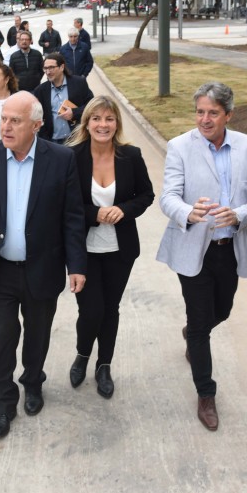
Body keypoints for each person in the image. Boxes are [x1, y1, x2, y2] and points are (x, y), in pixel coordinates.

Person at [0, 91, 87, 439]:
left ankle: (33, 382)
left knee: (37, 335)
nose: (6, 126)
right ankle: (3, 403)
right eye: (3, 119)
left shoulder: (60, 159)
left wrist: (76, 265)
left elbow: (72, 217)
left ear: (37, 125)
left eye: (15, 121)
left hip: (42, 267)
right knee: (1, 338)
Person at [155, 83, 247, 431]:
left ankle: (192, 332)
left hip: (228, 248)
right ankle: (206, 393)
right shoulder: (179, 147)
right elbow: (168, 197)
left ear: (228, 115)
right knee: (201, 322)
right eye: (200, 112)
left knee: (223, 310)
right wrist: (188, 212)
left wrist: (239, 214)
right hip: (193, 247)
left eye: (213, 113)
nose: (204, 119)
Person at [66, 96, 153, 398]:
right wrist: (94, 213)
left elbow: (146, 195)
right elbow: (64, 203)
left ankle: (104, 364)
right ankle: (82, 355)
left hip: (120, 250)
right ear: (86, 123)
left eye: (109, 118)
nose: (103, 124)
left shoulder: (131, 155)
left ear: (117, 123)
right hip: (84, 250)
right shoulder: (71, 156)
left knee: (110, 309)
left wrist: (124, 210)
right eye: (96, 118)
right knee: (91, 310)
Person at [33, 52, 94, 143]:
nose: (48, 72)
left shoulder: (79, 83)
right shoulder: (40, 90)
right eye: (45, 68)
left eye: (51, 68)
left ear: (62, 67)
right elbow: (38, 117)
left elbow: (92, 106)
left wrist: (74, 113)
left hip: (76, 138)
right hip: (53, 141)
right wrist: (45, 139)